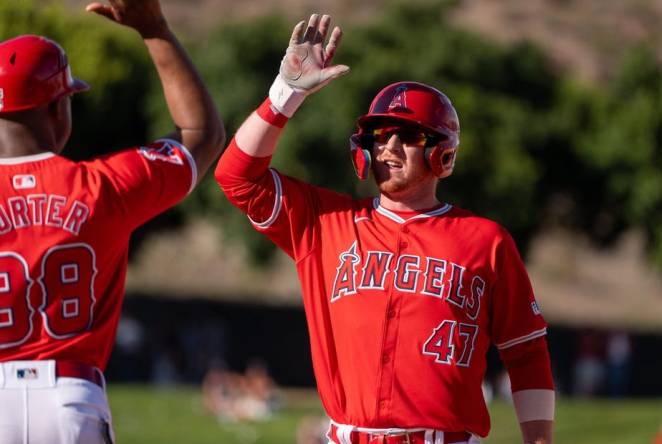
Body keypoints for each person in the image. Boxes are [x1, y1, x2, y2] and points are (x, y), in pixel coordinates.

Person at [215, 13, 555, 444]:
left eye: (408, 135)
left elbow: (526, 351)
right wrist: (284, 96)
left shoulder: (485, 240)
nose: (388, 146)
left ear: (442, 155)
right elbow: (236, 177)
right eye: (378, 133)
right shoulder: (325, 223)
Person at [0, 0, 224, 442]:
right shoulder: (103, 186)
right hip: (71, 397)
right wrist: (154, 28)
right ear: (58, 109)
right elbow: (202, 133)